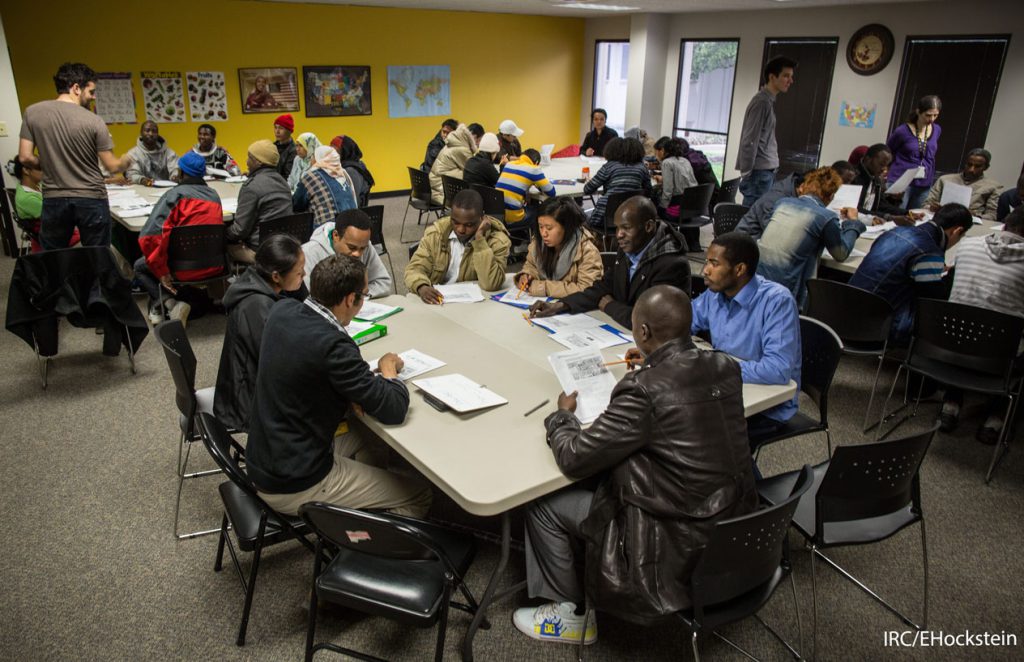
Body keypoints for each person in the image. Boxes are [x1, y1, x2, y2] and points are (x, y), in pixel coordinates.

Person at [513, 285, 757, 643]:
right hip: (731, 521)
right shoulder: (725, 366)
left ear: (642, 332)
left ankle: (571, 614)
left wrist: (561, 418)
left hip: (670, 539)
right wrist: (652, 366)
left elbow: (575, 457)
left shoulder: (643, 389)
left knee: (542, 504)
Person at [245, 254, 433, 517]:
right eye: (363, 296)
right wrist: (389, 370)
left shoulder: (282, 310)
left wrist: (347, 390)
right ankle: (360, 543)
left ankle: (365, 501)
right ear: (349, 300)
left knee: (374, 436)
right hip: (296, 481)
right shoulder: (334, 345)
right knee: (419, 493)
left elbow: (309, 371)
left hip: (265, 458)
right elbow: (393, 408)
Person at [692, 232, 801, 437]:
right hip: (727, 390)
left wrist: (718, 368)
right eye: (706, 262)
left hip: (768, 407)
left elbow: (777, 369)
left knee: (699, 432)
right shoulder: (716, 293)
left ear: (740, 269)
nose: (705, 270)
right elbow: (684, 322)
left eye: (714, 264)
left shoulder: (777, 301)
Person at [529, 196, 690, 329]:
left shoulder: (671, 264)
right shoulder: (630, 247)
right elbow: (604, 286)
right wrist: (561, 305)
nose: (619, 235)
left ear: (648, 226)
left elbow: (650, 321)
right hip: (621, 330)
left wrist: (610, 306)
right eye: (617, 228)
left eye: (626, 228)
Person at [18, 62, 132, 249]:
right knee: (97, 256)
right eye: (91, 91)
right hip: (91, 197)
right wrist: (127, 160)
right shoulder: (94, 121)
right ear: (76, 88)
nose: (94, 97)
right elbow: (112, 166)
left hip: (55, 197)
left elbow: (25, 158)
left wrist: (49, 162)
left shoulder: (32, 112)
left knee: (55, 256)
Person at [940, 208, 1024, 443]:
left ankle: (951, 404)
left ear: (1005, 225)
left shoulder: (967, 245)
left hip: (949, 345)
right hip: (999, 357)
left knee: (971, 321)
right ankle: (996, 417)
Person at [214, 234, 306, 432]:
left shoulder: (255, 283)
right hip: (248, 403)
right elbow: (280, 364)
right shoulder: (257, 307)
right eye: (299, 273)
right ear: (276, 276)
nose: (304, 275)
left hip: (249, 385)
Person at [849, 203, 973, 344]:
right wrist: (953, 274)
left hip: (849, 312)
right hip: (878, 326)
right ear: (957, 231)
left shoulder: (894, 232)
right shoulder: (930, 251)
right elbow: (934, 298)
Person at [134, 151, 224, 326]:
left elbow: (149, 237)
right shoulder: (214, 195)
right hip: (215, 267)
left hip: (183, 268)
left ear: (181, 173)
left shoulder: (174, 196)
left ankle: (171, 304)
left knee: (139, 267)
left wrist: (161, 272)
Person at [756, 166, 866, 305]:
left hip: (758, 279)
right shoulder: (825, 217)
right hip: (785, 289)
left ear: (804, 186)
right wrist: (853, 223)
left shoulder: (782, 203)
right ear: (831, 197)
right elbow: (841, 254)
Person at [405, 189, 511, 302]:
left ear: (482, 219)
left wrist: (480, 240)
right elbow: (414, 269)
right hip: (437, 302)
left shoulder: (498, 242)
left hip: (474, 307)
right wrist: (422, 286)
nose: (460, 229)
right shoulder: (436, 234)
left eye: (469, 225)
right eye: (455, 222)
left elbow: (491, 284)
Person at [514, 196, 603, 298]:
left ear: (566, 227)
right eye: (540, 226)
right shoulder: (538, 243)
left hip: (574, 311)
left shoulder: (586, 250)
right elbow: (531, 266)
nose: (543, 233)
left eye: (549, 228)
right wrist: (525, 276)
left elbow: (587, 289)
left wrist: (545, 288)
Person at [736, 56, 796, 206]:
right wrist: (747, 172)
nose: (790, 81)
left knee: (758, 216)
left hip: (764, 170)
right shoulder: (761, 102)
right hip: (758, 172)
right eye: (786, 76)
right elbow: (749, 140)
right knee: (752, 219)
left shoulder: (768, 102)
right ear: (772, 77)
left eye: (791, 76)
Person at [225, 140, 293, 264]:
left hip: (260, 251)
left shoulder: (251, 187)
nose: (246, 161)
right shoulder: (283, 183)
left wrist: (223, 232)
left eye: (249, 157)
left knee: (222, 245)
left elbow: (239, 231)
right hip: (283, 247)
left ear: (259, 162)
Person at [302, 208, 392, 297]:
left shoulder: (364, 245)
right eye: (351, 247)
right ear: (336, 236)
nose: (357, 254)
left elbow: (383, 282)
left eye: (362, 249)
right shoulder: (309, 253)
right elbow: (308, 297)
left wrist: (358, 298)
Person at [6, 156, 80, 253]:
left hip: (51, 231)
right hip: (53, 237)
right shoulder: (27, 199)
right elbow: (59, 216)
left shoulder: (33, 186)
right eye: (40, 168)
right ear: (26, 171)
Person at [583, 137, 653, 230]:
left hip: (605, 219)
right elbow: (648, 191)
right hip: (632, 218)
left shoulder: (609, 166)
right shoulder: (642, 168)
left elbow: (588, 189)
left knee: (582, 217)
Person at [886, 95, 942, 210]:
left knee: (916, 217)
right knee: (898, 214)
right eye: (928, 115)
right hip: (901, 180)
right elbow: (889, 151)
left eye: (935, 115)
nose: (931, 119)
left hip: (924, 182)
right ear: (918, 112)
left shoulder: (937, 129)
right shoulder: (902, 131)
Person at [923, 148, 1002, 221]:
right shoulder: (945, 179)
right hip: (942, 219)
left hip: (971, 222)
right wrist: (932, 207)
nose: (971, 169)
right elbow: (926, 204)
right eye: (969, 164)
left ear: (986, 167)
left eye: (977, 166)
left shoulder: (993, 186)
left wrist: (975, 215)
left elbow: (992, 215)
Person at [292, 146, 358, 228]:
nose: (311, 159)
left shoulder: (311, 176)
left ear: (319, 158)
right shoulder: (343, 174)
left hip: (326, 232)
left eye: (313, 156)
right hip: (352, 228)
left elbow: (297, 205)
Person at [852, 144, 919, 225]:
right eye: (881, 164)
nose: (884, 169)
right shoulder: (853, 178)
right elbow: (856, 208)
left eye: (887, 166)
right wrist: (889, 218)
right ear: (867, 159)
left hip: (871, 224)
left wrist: (906, 213)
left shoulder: (876, 179)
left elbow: (881, 205)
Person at [736, 170, 803, 239]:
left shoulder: (786, 193)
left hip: (755, 237)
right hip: (747, 241)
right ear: (802, 187)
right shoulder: (776, 198)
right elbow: (773, 235)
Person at [496, 148, 556, 225]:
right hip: (512, 218)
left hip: (498, 215)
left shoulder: (509, 164)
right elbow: (551, 192)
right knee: (541, 210)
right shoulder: (534, 169)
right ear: (536, 162)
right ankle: (535, 236)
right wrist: (537, 184)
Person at [428, 123, 478, 205]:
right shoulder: (462, 149)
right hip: (441, 194)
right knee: (472, 181)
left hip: (434, 189)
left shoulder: (450, 144)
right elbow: (471, 170)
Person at [652, 137, 697, 221]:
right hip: (689, 209)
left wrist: (662, 207)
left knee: (653, 197)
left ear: (663, 150)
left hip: (676, 211)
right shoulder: (685, 160)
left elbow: (668, 191)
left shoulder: (667, 163)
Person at [125, 121, 178, 185]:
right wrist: (143, 180)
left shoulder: (169, 153)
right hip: (141, 190)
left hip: (165, 189)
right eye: (147, 131)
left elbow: (175, 169)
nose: (151, 134)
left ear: (158, 134)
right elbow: (132, 174)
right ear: (141, 133)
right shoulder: (133, 154)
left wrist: (175, 177)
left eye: (154, 131)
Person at [337, 135, 375, 207]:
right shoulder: (357, 164)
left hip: (354, 213)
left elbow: (353, 199)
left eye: (336, 151)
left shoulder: (350, 171)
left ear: (345, 151)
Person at [273, 113, 297, 179]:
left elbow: (288, 175)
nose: (277, 131)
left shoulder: (294, 150)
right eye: (275, 127)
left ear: (289, 131)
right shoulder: (272, 147)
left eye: (281, 128)